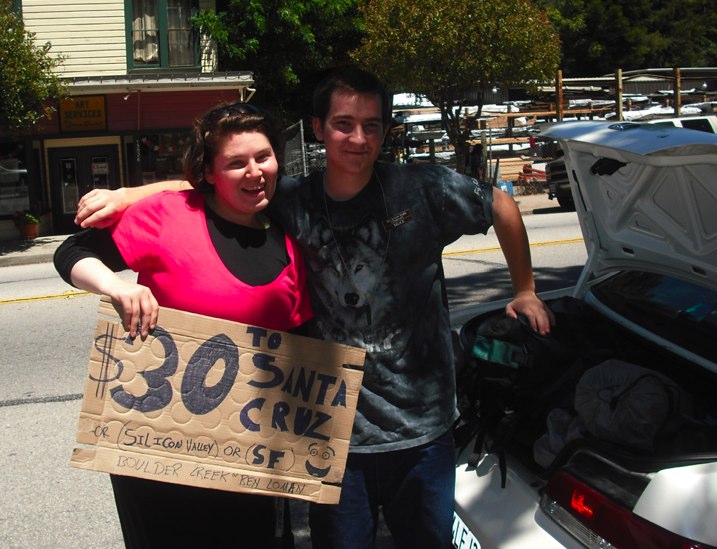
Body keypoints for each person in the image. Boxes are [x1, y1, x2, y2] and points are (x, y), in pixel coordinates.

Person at [74, 66, 554, 549]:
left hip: (424, 429)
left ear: (386, 131)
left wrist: (526, 290)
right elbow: (218, 182)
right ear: (319, 129)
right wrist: (131, 194)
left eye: (372, 125)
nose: (358, 138)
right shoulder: (294, 198)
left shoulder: (423, 189)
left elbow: (500, 206)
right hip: (332, 431)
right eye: (344, 123)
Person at [54, 101, 313, 548]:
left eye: (263, 157)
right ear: (210, 172)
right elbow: (72, 253)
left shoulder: (287, 246)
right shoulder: (168, 216)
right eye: (236, 162)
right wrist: (116, 288)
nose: (254, 171)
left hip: (244, 453)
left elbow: (301, 351)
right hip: (158, 449)